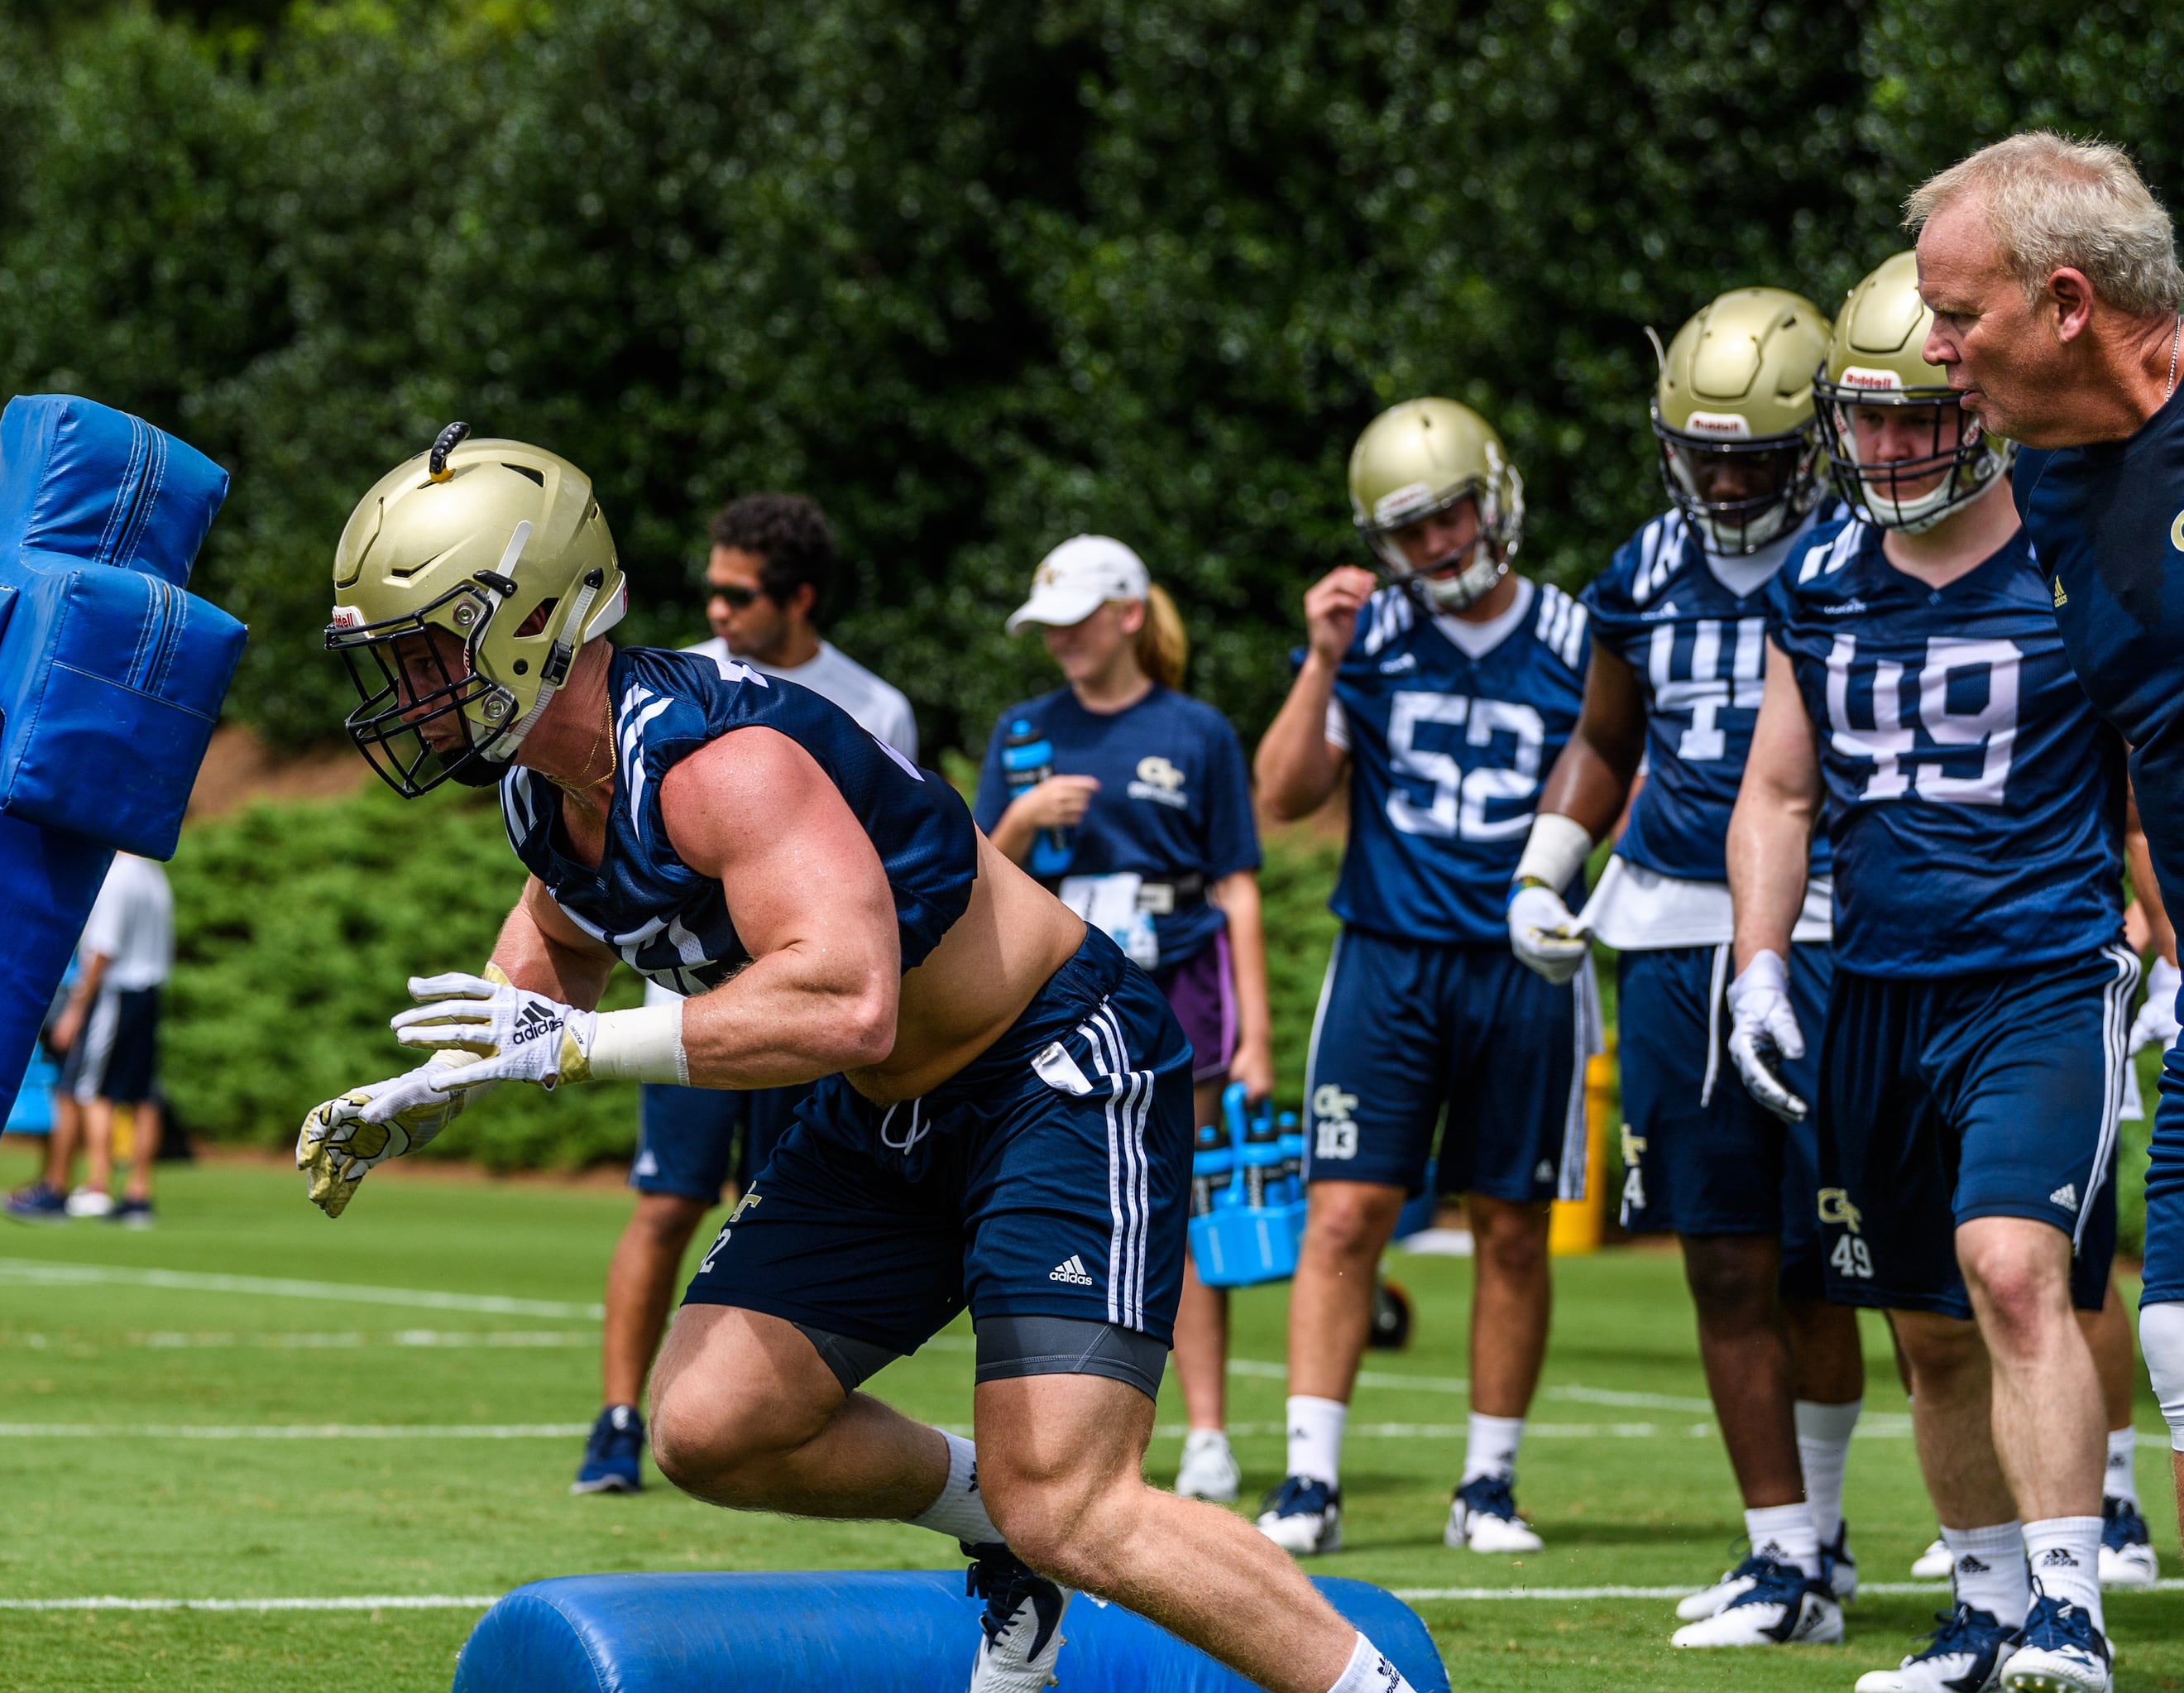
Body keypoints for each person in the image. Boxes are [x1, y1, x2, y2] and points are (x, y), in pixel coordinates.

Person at [298, 428, 1428, 1693]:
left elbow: (846, 1003)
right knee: (712, 1426)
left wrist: (579, 1050)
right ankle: (1000, 1534)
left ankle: (1364, 1684)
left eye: (425, 647)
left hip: (1051, 1067)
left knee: (1081, 1503)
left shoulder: (722, 761)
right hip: (893, 1112)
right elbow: (551, 952)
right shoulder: (544, 789)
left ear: (534, 621)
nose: (406, 686)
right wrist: (428, 1092)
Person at [1727, 244, 2141, 1693]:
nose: (1894, 445)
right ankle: (1982, 1612)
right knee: (1921, 1320)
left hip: (2040, 969)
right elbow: (1778, 794)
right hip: (1876, 984)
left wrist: (2162, 942)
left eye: (1922, 415)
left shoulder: (2082, 555)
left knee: (2012, 1270)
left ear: (1983, 410)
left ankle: (2072, 1611)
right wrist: (1760, 965)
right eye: (1870, 415)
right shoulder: (1823, 580)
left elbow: (2156, 762)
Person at [1505, 288, 1868, 1645]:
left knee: (1830, 1261)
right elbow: (1605, 740)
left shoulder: (1857, 554)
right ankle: (1782, 1554)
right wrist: (1549, 866)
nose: (1725, 477)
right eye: (1705, 451)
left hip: (1828, 925)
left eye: (1756, 453)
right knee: (1721, 1258)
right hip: (1668, 929)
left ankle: (1829, 1542)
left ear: (1816, 440)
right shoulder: (1641, 568)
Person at [1899, 132, 2184, 1690]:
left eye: (1960, 316)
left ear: (2068, 302)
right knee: (2176, 1352)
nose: (1935, 350)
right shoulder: (2058, 492)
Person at [1248, 398, 1593, 1559]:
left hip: (1522, 962)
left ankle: (1488, 1484)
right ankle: (1309, 1480)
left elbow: (1622, 782)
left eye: (1452, 514)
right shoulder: (1372, 635)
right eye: (1413, 528)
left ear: (1493, 500)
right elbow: (1282, 795)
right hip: (1388, 960)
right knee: (1342, 1215)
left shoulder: (1575, 632)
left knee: (1511, 1227)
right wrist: (1325, 664)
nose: (1440, 543)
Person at [577, 491, 918, 1496]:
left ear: (799, 597)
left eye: (740, 592)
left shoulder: (874, 700)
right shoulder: (670, 685)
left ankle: (767, 1408)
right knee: (663, 1206)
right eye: (710, 589)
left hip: (795, 1017)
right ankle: (616, 1418)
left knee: (773, 1207)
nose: (718, 610)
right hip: (679, 1012)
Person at [979, 533, 1269, 1506]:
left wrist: (1258, 1035)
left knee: (1179, 1218)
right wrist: (1024, 823)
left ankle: (1212, 1435)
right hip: (1059, 995)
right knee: (1066, 1213)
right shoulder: (1023, 730)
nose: (1059, 642)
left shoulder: (1198, 732)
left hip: (1180, 989)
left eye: (1076, 622)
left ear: (1130, 616)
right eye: (1047, 627)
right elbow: (972, 871)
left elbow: (1238, 887)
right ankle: (1078, 1435)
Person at [0, 851, 172, 1226]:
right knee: (142, 1095)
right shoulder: (153, 873)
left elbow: (103, 948)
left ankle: (81, 1187)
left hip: (115, 992)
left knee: (81, 1089)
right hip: (150, 990)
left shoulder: (117, 876)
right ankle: (138, 1194)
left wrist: (77, 1008)